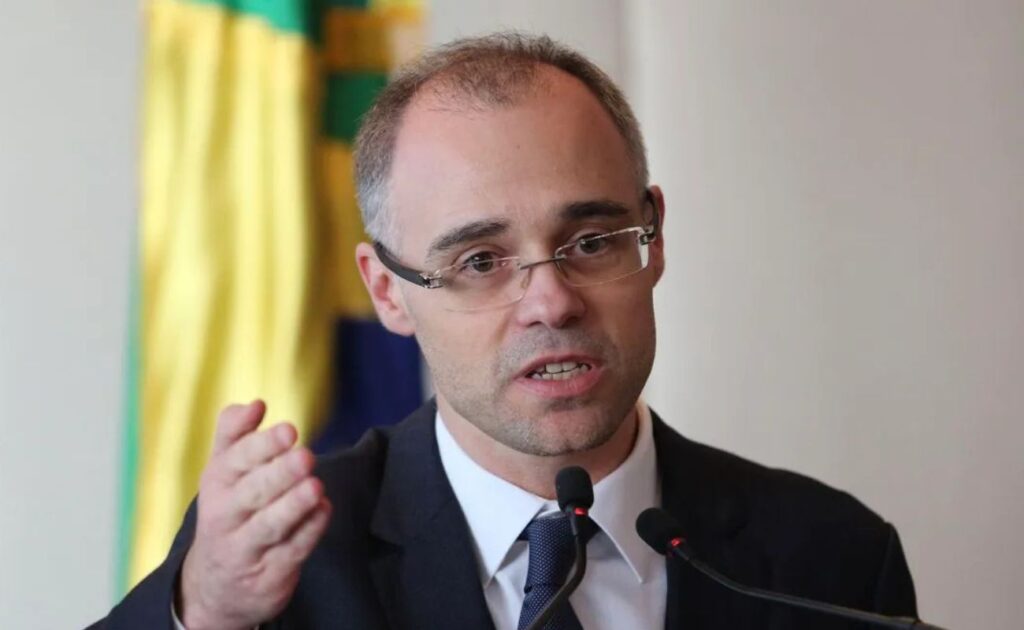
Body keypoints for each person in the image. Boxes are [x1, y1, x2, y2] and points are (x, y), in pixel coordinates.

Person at [91, 33, 917, 630]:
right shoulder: (291, 565)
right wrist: (205, 612)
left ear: (653, 237)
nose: (551, 303)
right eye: (481, 261)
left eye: (590, 242)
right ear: (387, 291)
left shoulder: (830, 559)